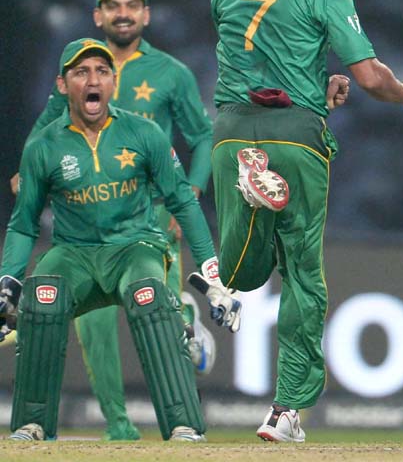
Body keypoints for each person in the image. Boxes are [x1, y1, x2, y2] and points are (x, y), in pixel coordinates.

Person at [210, 0, 403, 443]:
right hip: (296, 138)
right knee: (303, 274)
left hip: (233, 133)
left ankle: (242, 222)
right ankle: (285, 413)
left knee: (240, 274)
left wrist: (312, 81)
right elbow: (370, 75)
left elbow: (257, 62)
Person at [0, 38, 242, 442]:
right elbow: (24, 224)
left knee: (149, 295)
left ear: (113, 82)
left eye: (101, 71)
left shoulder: (143, 133)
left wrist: (213, 274)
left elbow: (183, 202)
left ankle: (183, 424)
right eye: (81, 72)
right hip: (73, 253)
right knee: (43, 294)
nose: (92, 80)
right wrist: (8, 280)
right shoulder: (43, 147)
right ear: (62, 86)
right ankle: (33, 423)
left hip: (136, 247)